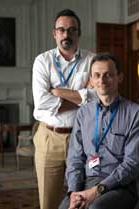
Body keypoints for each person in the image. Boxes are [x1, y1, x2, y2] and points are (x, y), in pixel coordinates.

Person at [59, 53, 139, 209]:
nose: (102, 80)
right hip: (87, 181)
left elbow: (132, 164)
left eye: (108, 75)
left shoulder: (136, 114)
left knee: (95, 208)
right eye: (97, 76)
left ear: (119, 77)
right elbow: (75, 157)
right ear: (91, 81)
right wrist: (74, 192)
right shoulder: (83, 113)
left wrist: (96, 191)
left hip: (120, 186)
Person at [32, 9, 95, 209]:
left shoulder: (92, 60)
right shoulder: (43, 61)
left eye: (71, 30)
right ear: (55, 33)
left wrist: (57, 92)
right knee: (48, 202)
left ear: (79, 33)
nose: (66, 35)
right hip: (50, 137)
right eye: (61, 30)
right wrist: (81, 96)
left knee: (83, 199)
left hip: (83, 139)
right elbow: (42, 102)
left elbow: (96, 97)